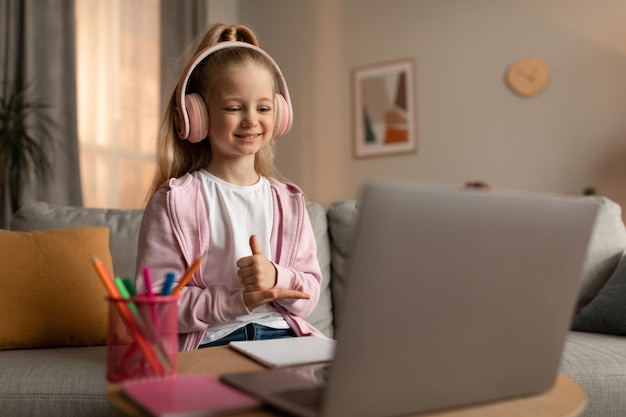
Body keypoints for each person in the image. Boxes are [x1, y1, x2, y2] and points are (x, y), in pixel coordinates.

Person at [135, 23, 323, 351]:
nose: (251, 119)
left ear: (279, 115)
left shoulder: (289, 201)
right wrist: (238, 300)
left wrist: (276, 277)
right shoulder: (174, 202)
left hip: (286, 337)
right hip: (212, 342)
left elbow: (309, 294)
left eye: (263, 108)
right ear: (197, 116)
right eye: (234, 108)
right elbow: (155, 307)